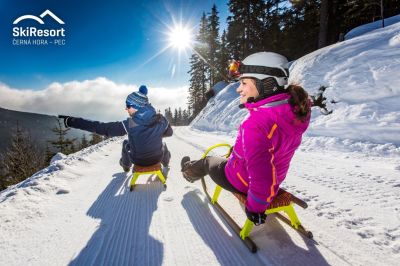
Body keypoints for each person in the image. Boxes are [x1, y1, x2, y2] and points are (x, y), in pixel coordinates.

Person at [181, 52, 311, 225]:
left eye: (243, 83)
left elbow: (262, 171)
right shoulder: (295, 111)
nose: (238, 88)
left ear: (267, 84)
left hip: (242, 181)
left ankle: (188, 171)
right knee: (231, 154)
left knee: (208, 161)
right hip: (276, 177)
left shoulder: (255, 123)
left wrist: (256, 207)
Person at [59, 85, 172, 176]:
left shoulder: (130, 124)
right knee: (163, 144)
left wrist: (72, 121)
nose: (126, 109)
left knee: (126, 143)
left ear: (136, 107)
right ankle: (166, 163)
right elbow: (169, 133)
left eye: (128, 106)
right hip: (157, 158)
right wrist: (154, 134)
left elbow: (101, 128)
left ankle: (126, 166)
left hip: (138, 161)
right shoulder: (161, 119)